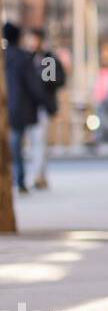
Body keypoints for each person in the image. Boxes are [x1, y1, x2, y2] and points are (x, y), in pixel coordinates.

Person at [3, 21, 46, 194]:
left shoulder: (44, 57)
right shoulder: (24, 57)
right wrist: (48, 103)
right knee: (20, 143)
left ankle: (25, 178)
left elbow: (49, 80)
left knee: (20, 143)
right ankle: (20, 179)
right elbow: (34, 85)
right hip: (22, 108)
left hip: (17, 108)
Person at [23, 27, 65, 190]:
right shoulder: (26, 58)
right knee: (31, 143)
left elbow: (55, 81)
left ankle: (39, 175)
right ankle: (36, 174)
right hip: (28, 106)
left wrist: (46, 81)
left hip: (42, 107)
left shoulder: (49, 59)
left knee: (40, 141)